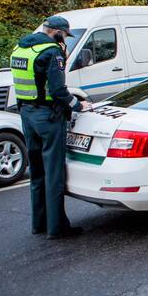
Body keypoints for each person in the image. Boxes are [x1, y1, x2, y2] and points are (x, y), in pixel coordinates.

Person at [11, 16, 92, 239]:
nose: (65, 39)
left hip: (27, 115)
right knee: (54, 173)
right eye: (65, 35)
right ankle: (57, 228)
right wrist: (78, 104)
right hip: (48, 117)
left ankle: (40, 224)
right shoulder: (52, 52)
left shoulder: (21, 47)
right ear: (56, 32)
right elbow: (58, 90)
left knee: (36, 172)